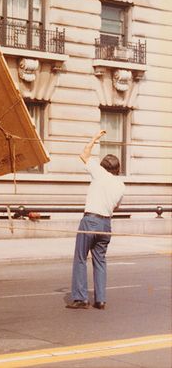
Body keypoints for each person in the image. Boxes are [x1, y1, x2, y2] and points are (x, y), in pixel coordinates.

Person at [66, 130, 125, 310]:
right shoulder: (121, 185)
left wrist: (94, 138)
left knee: (80, 258)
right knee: (100, 260)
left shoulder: (99, 173)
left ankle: (81, 298)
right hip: (106, 224)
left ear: (103, 167)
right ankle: (100, 300)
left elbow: (84, 154)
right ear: (117, 169)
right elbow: (116, 207)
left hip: (90, 220)